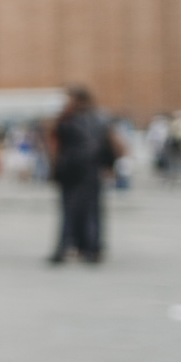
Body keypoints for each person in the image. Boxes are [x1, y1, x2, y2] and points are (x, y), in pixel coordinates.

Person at [48, 84, 120, 264]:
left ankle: (80, 248)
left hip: (78, 170)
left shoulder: (68, 119)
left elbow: (55, 147)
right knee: (83, 210)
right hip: (82, 170)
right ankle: (87, 248)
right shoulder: (97, 119)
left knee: (80, 210)